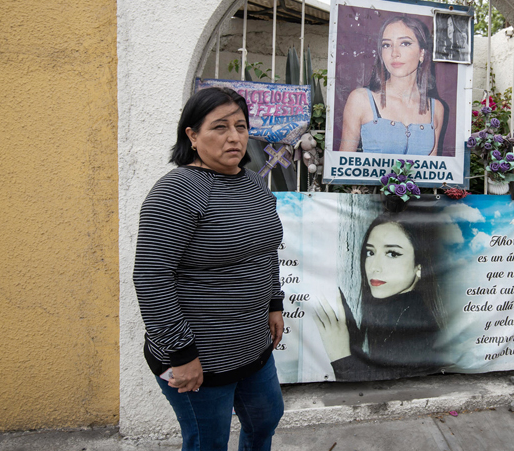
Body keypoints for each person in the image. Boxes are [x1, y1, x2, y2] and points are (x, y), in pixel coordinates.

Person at [133, 87, 285, 451]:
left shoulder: (252, 183)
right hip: (198, 356)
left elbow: (264, 249)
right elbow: (151, 277)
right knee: (208, 442)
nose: (234, 137)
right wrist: (182, 356)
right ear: (192, 135)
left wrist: (274, 303)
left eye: (241, 126)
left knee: (266, 417)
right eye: (219, 127)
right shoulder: (177, 192)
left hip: (251, 344)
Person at [312, 211, 445, 381]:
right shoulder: (395, 310)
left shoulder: (417, 323)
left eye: (392, 254)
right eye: (370, 252)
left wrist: (340, 354)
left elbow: (391, 392)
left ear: (418, 267)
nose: (375, 267)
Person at [338, 15, 445, 156]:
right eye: (386, 45)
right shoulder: (360, 100)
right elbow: (342, 166)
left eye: (405, 43)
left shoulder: (435, 108)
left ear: (422, 53)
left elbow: (431, 173)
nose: (394, 53)